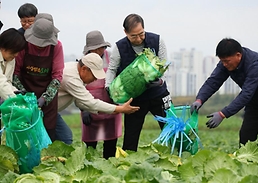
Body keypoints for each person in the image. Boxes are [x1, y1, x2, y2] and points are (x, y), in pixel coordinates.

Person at [190, 38, 258, 145]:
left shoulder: (256, 64)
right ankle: (248, 161)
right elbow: (213, 81)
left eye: (227, 61)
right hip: (257, 103)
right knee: (246, 136)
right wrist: (200, 99)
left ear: (238, 55)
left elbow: (246, 94)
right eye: (222, 61)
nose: (224, 64)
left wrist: (223, 114)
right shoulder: (225, 64)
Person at [105, 13, 172, 152]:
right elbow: (112, 69)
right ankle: (127, 164)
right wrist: (108, 87)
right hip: (134, 98)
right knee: (130, 137)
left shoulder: (157, 41)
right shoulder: (119, 47)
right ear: (126, 33)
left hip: (158, 94)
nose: (139, 39)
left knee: (171, 128)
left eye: (141, 34)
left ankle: (176, 157)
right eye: (133, 36)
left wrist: (159, 81)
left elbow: (164, 66)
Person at [57, 53, 139, 132]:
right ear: (84, 69)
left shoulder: (77, 71)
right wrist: (120, 109)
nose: (95, 79)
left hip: (53, 112)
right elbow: (90, 102)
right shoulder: (71, 78)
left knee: (65, 137)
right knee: (63, 138)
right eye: (94, 75)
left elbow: (80, 103)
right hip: (46, 111)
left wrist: (112, 110)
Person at [13, 18, 64, 142]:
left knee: (47, 135)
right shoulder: (23, 45)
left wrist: (44, 98)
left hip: (48, 99)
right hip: (25, 96)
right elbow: (15, 74)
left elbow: (57, 77)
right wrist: (25, 96)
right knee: (25, 136)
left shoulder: (56, 47)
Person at [81, 30, 122, 159]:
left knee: (110, 146)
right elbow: (78, 87)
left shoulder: (112, 59)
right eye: (94, 49)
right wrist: (84, 109)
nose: (98, 52)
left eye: (100, 48)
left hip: (111, 108)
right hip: (91, 109)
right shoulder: (82, 61)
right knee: (90, 147)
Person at [0, 28, 26, 143]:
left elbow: (7, 82)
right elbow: (1, 83)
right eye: (13, 51)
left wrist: (17, 92)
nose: (16, 55)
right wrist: (17, 102)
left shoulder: (11, 60)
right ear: (3, 47)